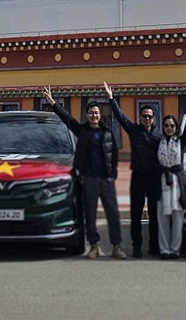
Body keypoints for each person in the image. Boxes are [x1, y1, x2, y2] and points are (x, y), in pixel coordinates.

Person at [42, 86, 125, 259]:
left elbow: (114, 153)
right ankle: (93, 246)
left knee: (113, 214)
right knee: (90, 214)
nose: (94, 115)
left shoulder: (107, 132)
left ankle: (116, 246)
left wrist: (113, 173)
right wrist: (53, 103)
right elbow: (67, 119)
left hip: (106, 179)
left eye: (96, 113)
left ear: (100, 115)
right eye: (91, 113)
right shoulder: (83, 131)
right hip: (89, 179)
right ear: (87, 115)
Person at [103, 81, 160, 258]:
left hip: (153, 179)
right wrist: (111, 99)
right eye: (144, 116)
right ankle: (137, 246)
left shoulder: (159, 136)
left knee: (154, 215)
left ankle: (154, 245)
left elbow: (174, 144)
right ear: (140, 117)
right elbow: (121, 117)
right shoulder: (134, 130)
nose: (147, 119)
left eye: (150, 116)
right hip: (138, 178)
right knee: (136, 215)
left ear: (154, 118)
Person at [155, 106, 186, 259]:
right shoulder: (157, 142)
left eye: (172, 125)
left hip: (177, 183)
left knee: (178, 218)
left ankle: (175, 249)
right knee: (163, 218)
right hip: (162, 182)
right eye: (166, 125)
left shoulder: (180, 141)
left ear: (175, 127)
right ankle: (164, 249)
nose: (169, 128)